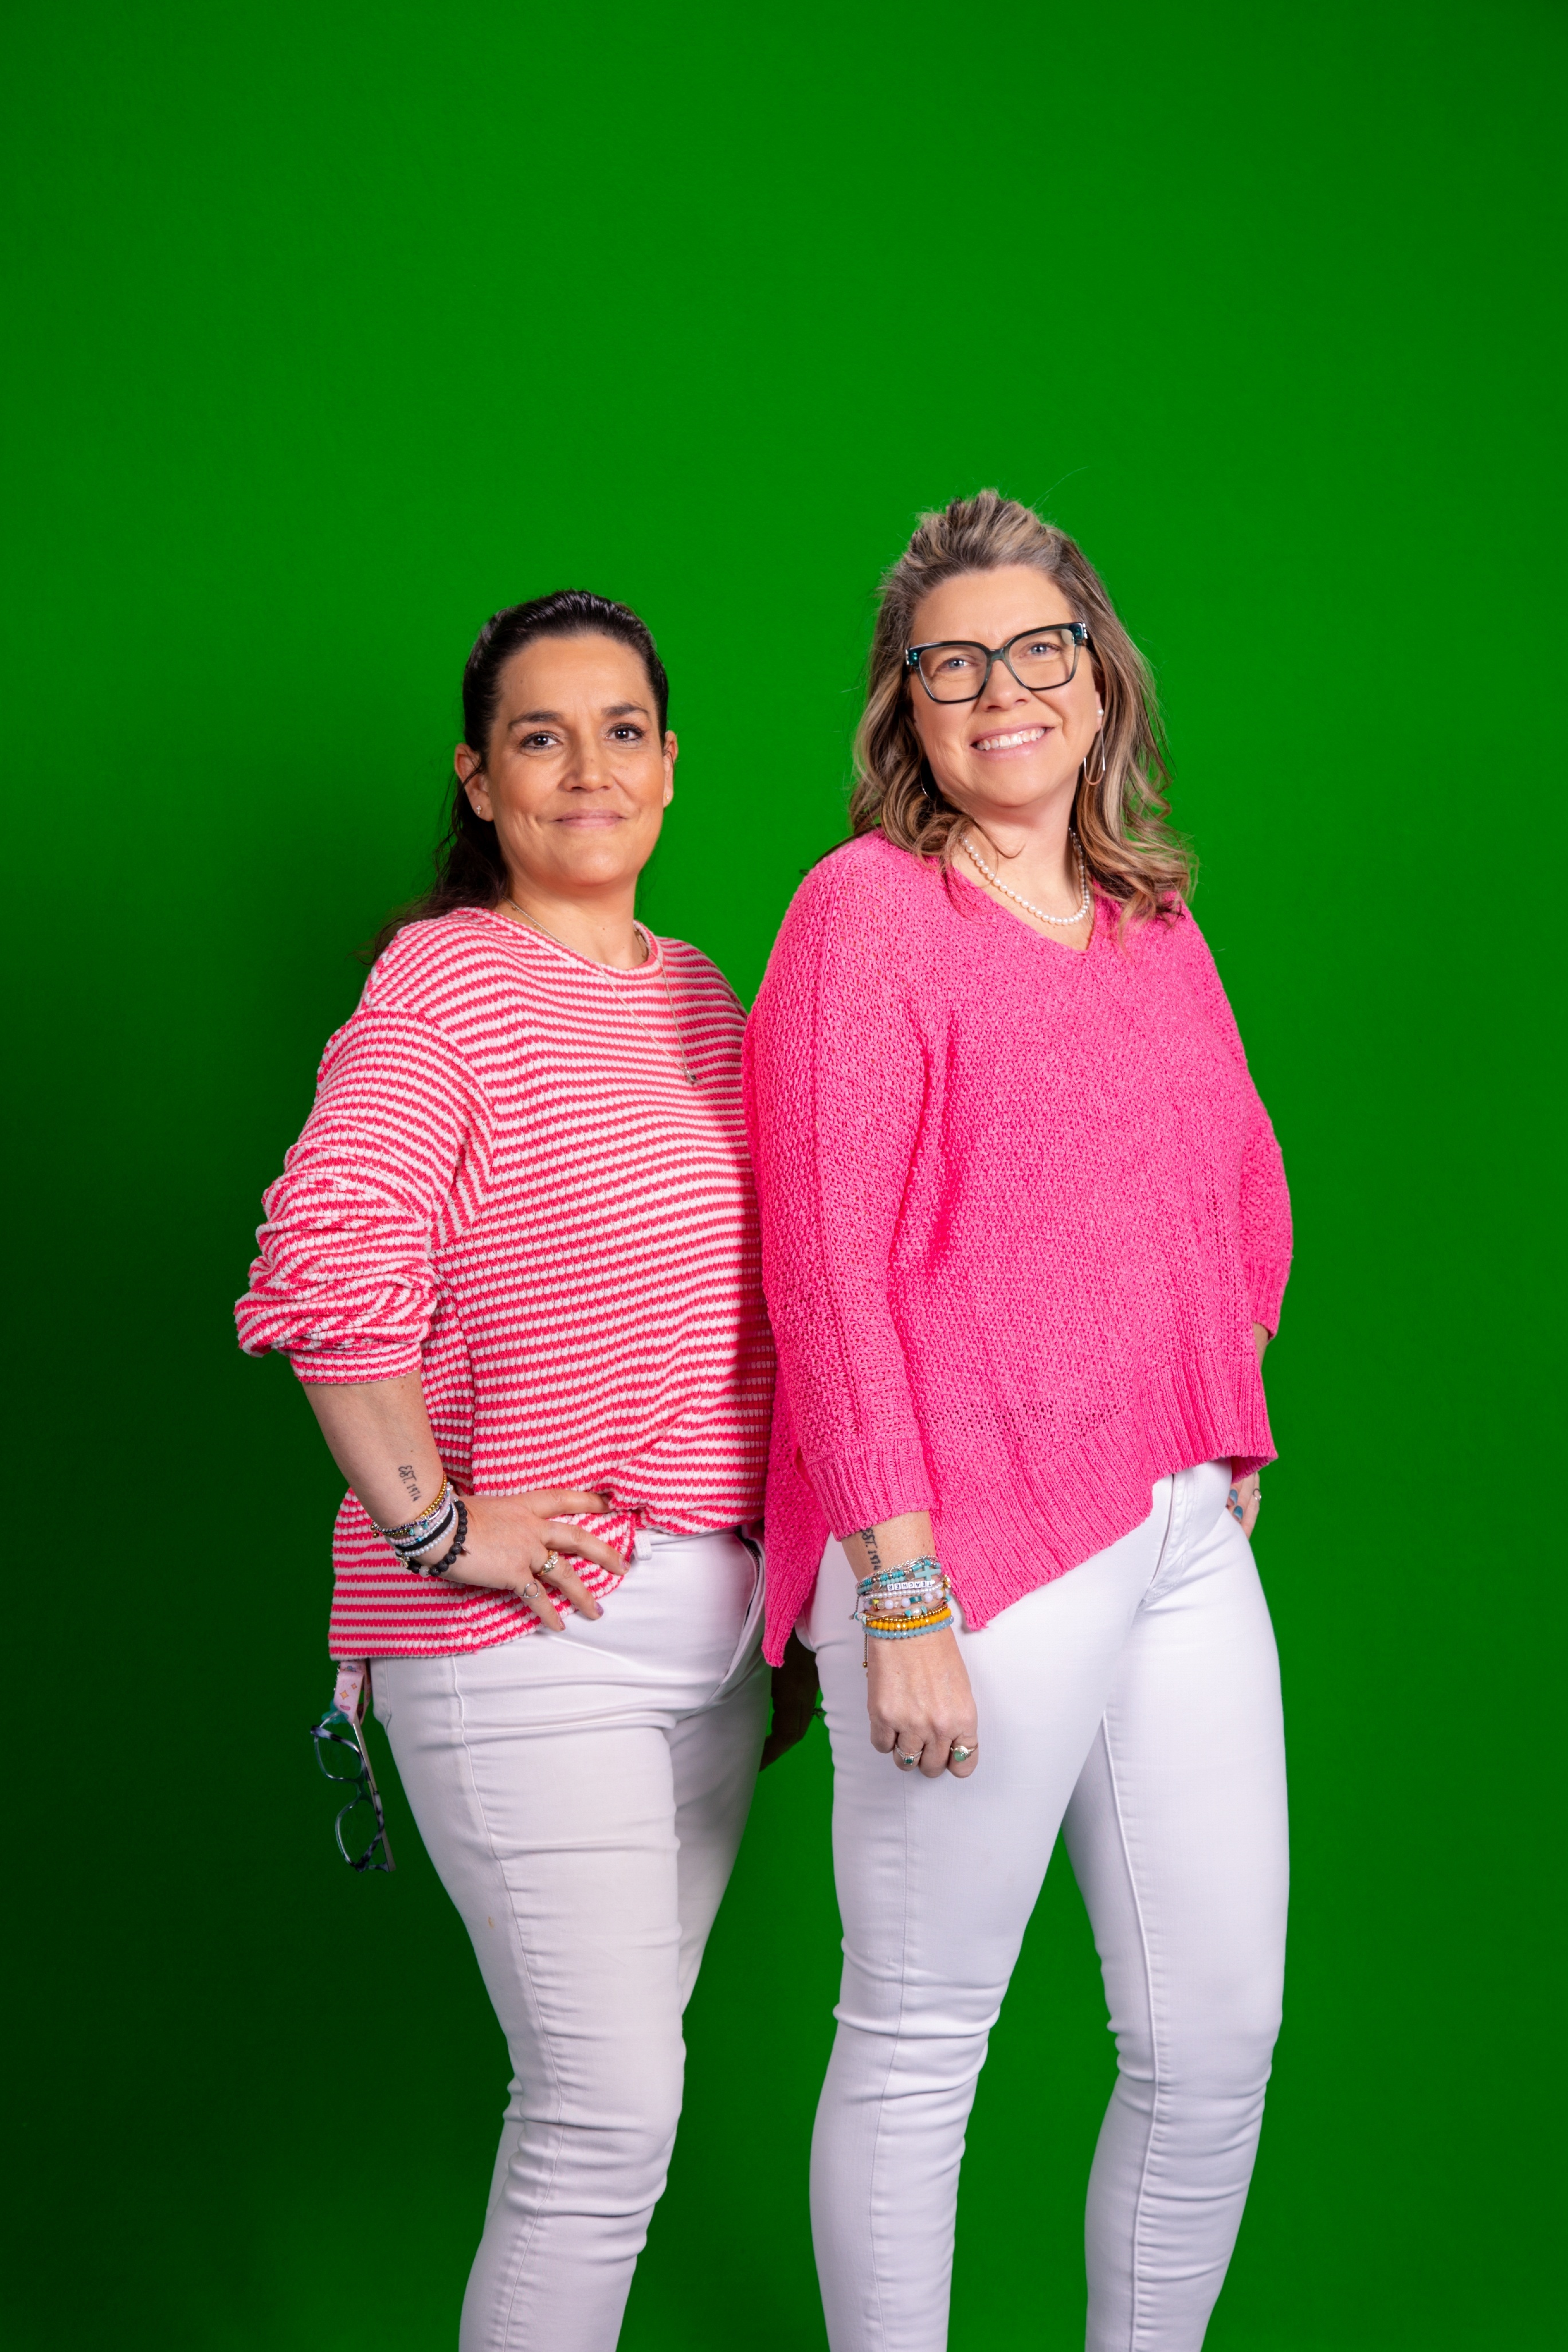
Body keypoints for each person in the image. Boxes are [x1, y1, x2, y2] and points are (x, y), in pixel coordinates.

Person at [744, 492, 1292, 2352]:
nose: (1004, 691)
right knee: (921, 2034)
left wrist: (1225, 1408)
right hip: (959, 1547)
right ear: (905, 704)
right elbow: (821, 1266)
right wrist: (896, 1592)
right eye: (954, 663)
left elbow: (1241, 1185)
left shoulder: (1153, 922)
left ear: (1097, 674)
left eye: (1038, 649)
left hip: (1176, 1528)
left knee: (1215, 2039)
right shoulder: (864, 916)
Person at [237, 590, 775, 2352]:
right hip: (527, 1644)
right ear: (480, 780)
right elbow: (332, 1247)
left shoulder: (701, 997)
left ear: (671, 766)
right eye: (541, 737)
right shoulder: (448, 980)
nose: (587, 769)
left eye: (622, 731)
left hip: (711, 1650)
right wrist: (434, 1524)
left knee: (621, 2117)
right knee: (601, 2122)